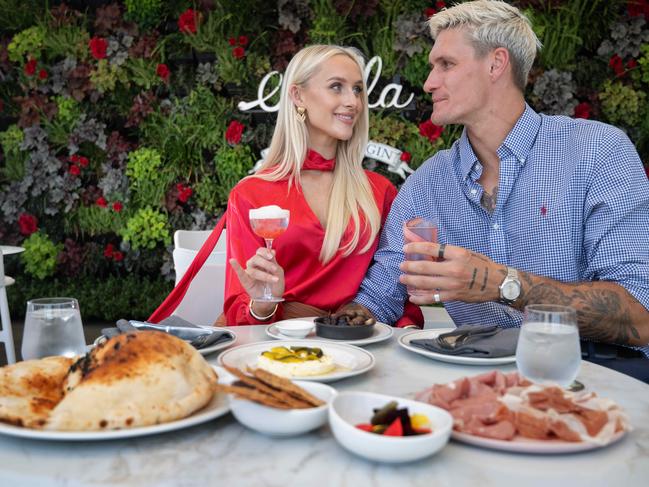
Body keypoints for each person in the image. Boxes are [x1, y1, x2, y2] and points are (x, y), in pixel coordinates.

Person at [343, 1, 649, 380]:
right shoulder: (427, 183)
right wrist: (305, 324)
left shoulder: (597, 152)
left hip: (599, 375)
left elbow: (639, 314)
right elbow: (378, 299)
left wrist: (500, 284)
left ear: (495, 64)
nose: (429, 83)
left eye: (447, 64)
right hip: (480, 382)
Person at [149, 44, 422, 327]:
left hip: (360, 345)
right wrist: (264, 302)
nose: (353, 102)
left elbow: (395, 287)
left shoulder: (380, 191)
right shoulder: (251, 194)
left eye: (357, 89)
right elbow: (240, 308)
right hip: (278, 349)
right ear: (297, 95)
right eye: (336, 87)